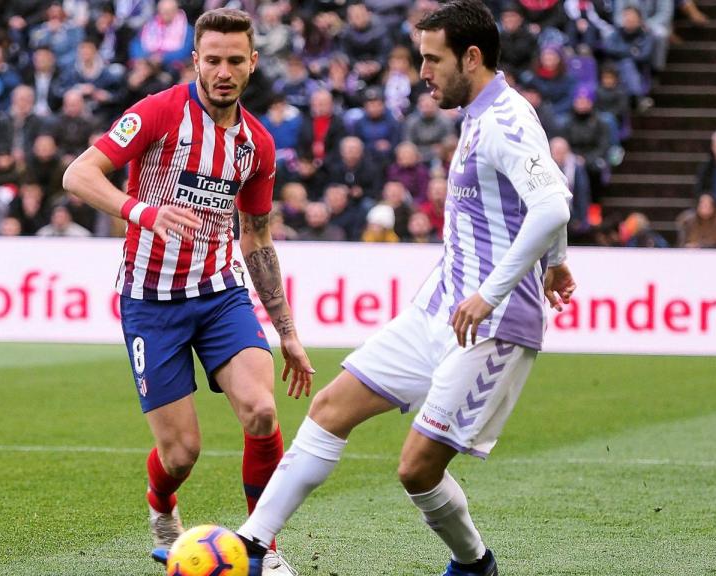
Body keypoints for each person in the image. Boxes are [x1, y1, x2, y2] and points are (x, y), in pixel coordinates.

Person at [234, 2, 575, 575]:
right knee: (329, 407)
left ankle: (474, 564)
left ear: (471, 57)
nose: (422, 71)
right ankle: (252, 543)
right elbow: (544, 199)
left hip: (490, 325)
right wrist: (557, 262)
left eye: (431, 59)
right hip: (440, 305)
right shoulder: (482, 112)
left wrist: (493, 292)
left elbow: (552, 203)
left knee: (417, 469)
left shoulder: (504, 121)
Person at [61, 9, 313, 575]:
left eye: (234, 61)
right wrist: (141, 212)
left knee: (262, 412)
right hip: (150, 301)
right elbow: (78, 174)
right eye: (213, 60)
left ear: (252, 63)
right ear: (196, 60)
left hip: (220, 292)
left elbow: (257, 237)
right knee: (181, 454)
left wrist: (289, 332)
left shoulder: (256, 143)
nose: (223, 72)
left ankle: (263, 548)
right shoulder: (158, 112)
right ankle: (161, 503)